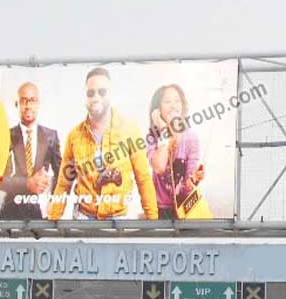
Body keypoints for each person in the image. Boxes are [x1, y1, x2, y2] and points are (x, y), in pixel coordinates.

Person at [48, 68, 159, 220]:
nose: (96, 97)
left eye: (102, 92)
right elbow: (63, 183)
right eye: (90, 93)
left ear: (111, 94)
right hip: (83, 218)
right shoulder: (74, 136)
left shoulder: (130, 130)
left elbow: (143, 179)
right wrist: (53, 220)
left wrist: (153, 220)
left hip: (119, 220)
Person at [0, 82, 62, 220]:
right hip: (11, 211)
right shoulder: (5, 136)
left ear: (38, 104)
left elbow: (61, 174)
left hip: (40, 211)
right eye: (24, 101)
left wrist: (54, 201)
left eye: (32, 100)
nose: (28, 106)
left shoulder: (51, 136)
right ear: (17, 104)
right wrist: (26, 183)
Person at [146, 84, 206, 219]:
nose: (173, 106)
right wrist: (164, 132)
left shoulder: (191, 137)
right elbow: (160, 167)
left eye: (177, 101)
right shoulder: (152, 137)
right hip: (159, 210)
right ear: (157, 109)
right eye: (167, 101)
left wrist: (195, 179)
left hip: (185, 209)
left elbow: (187, 189)